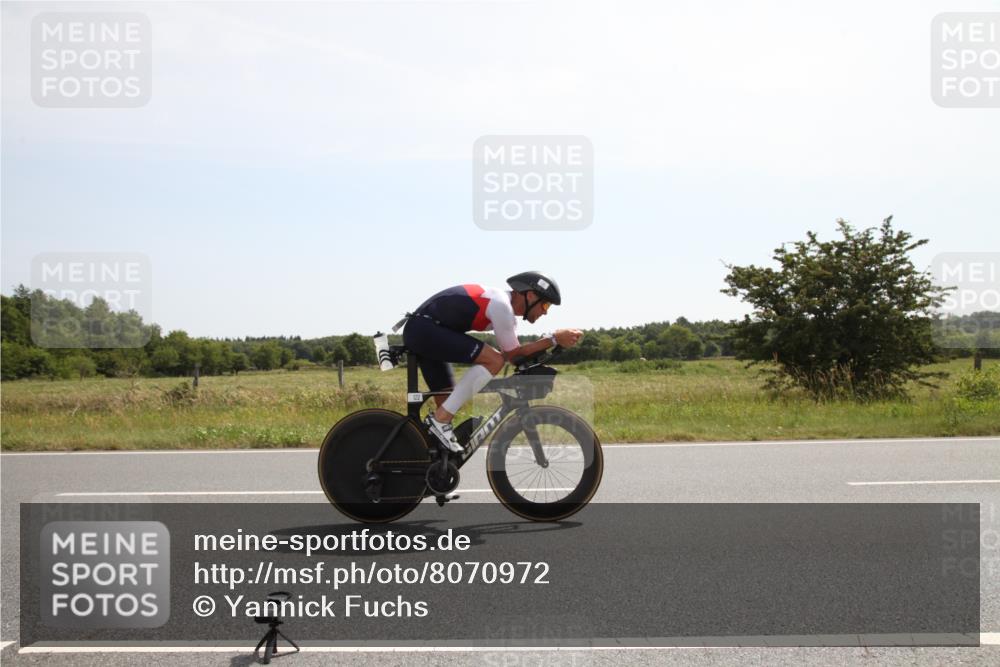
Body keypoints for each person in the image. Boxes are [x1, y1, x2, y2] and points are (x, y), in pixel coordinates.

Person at [401, 272, 583, 454]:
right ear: (530, 295)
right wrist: (554, 339)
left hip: (427, 331)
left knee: (447, 403)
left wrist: (552, 342)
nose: (545, 311)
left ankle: (429, 460)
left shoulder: (505, 310)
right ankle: (439, 421)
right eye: (545, 304)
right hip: (424, 330)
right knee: (493, 360)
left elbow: (515, 355)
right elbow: (511, 356)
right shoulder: (501, 305)